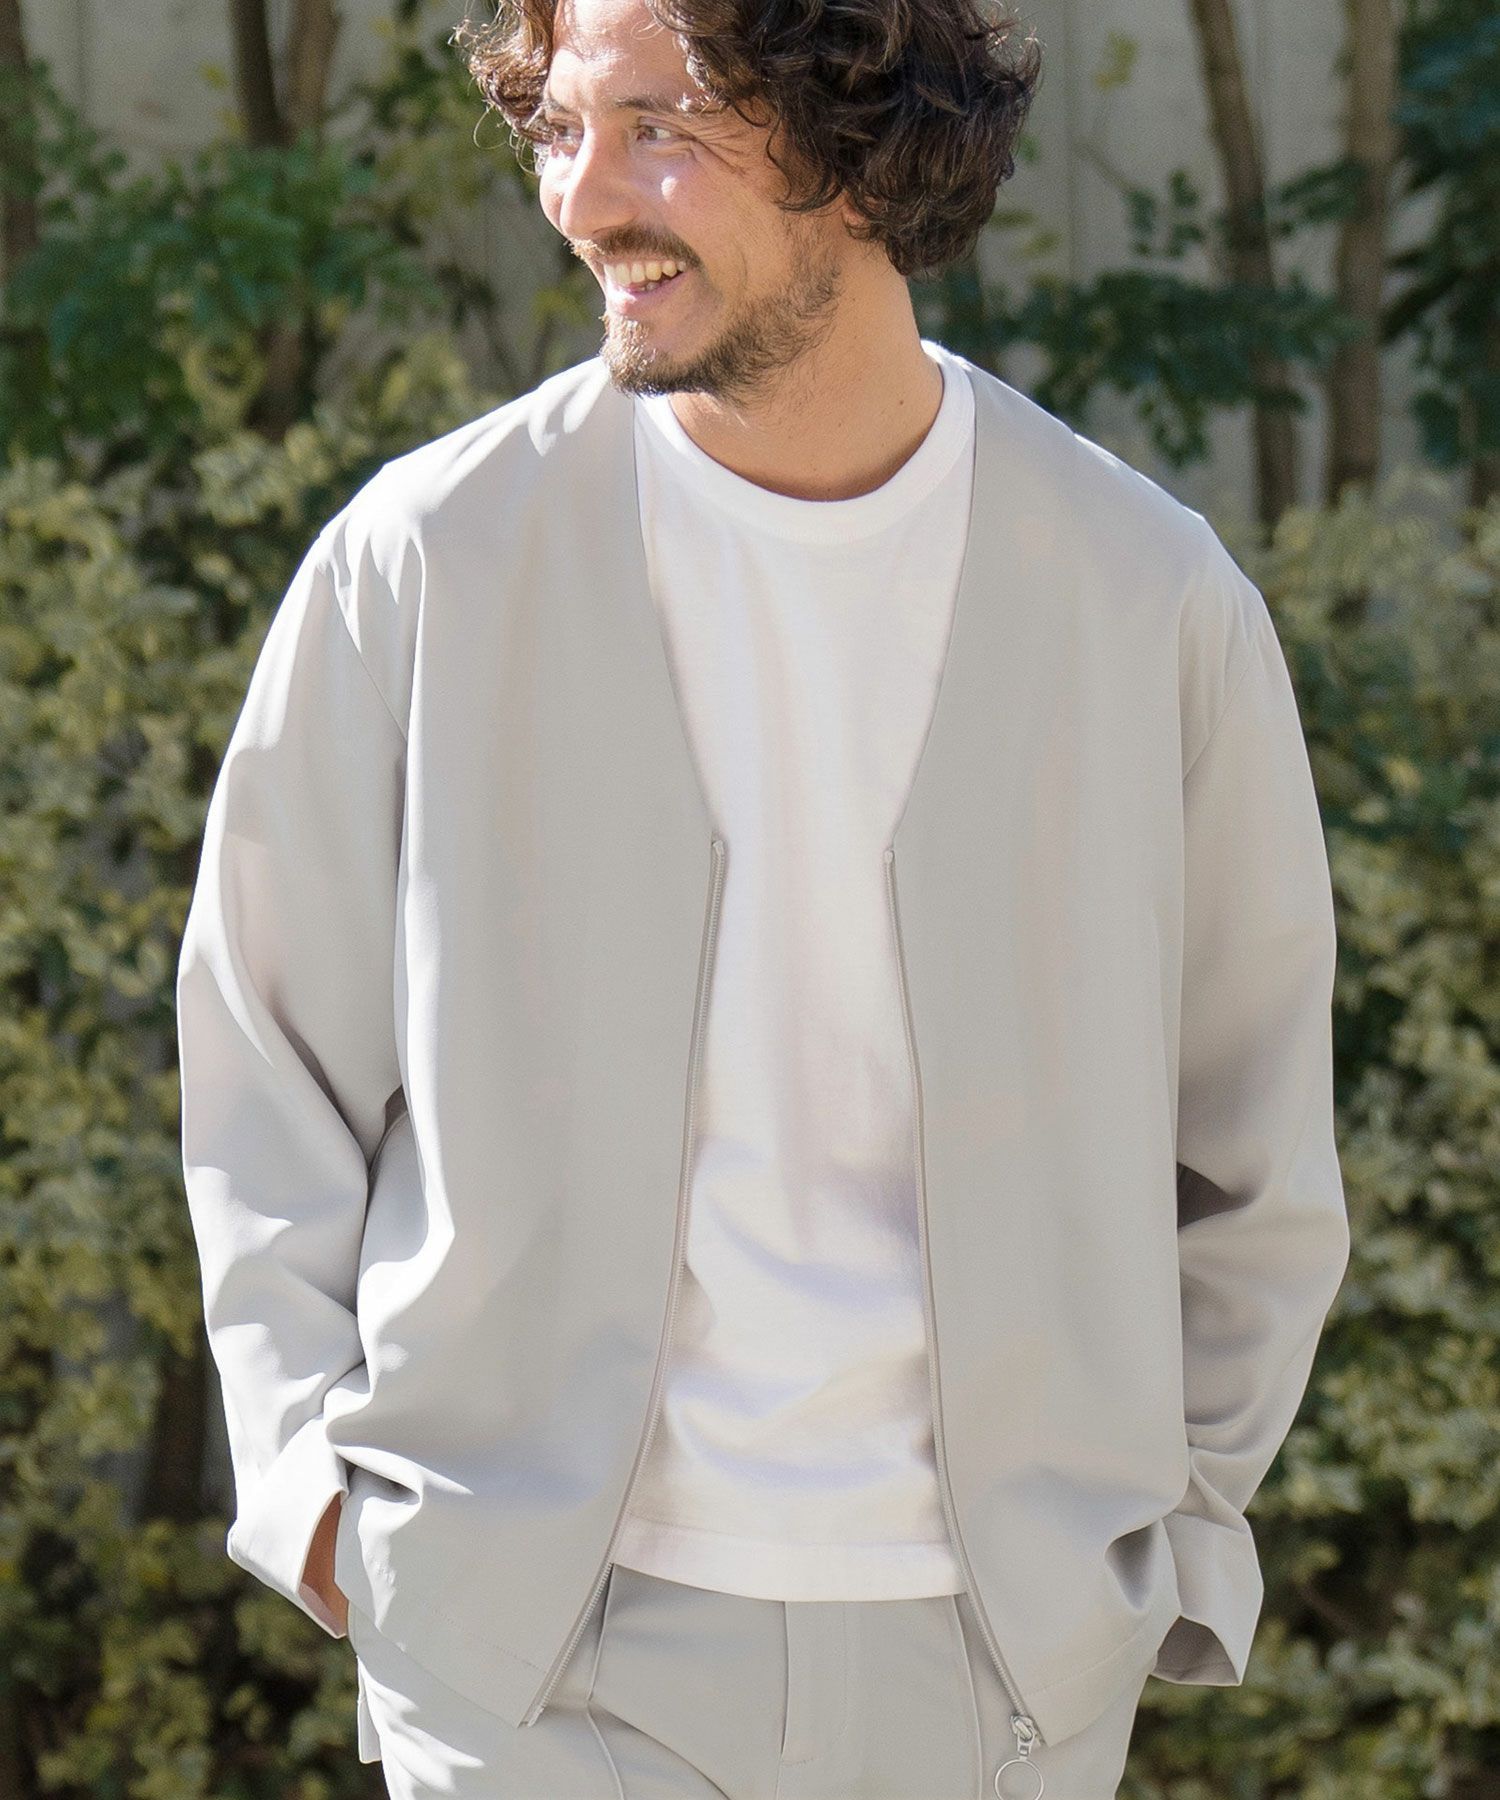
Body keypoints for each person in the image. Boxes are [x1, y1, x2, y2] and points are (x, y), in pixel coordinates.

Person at [174, 0, 1351, 1794]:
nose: (583, 200)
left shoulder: (1143, 597)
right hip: (523, 1658)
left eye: (660, 125)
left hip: (1001, 1672)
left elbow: (1255, 1138)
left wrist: (1159, 1534)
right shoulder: (426, 565)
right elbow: (266, 1062)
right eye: (561, 127)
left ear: (863, 133)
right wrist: (320, 1497)